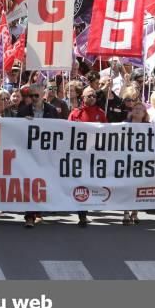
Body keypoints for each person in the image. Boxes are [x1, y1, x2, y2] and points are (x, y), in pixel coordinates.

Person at [67, 87, 107, 228]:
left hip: (94, 154)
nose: (92, 98)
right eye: (89, 96)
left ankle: (89, 206)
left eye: (94, 96)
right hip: (78, 155)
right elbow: (67, 132)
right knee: (80, 183)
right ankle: (82, 214)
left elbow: (106, 133)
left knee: (91, 182)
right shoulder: (75, 113)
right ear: (82, 97)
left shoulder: (100, 113)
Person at [122, 101, 149, 226]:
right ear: (131, 111)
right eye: (136, 108)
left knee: (138, 186)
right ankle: (126, 212)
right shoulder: (124, 125)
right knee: (128, 186)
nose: (138, 110)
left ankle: (135, 212)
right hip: (126, 159)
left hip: (141, 160)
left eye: (141, 109)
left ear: (144, 114)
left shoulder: (149, 126)